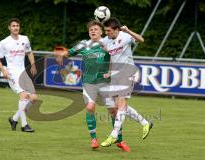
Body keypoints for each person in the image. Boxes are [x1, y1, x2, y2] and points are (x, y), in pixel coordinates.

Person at [54, 20, 130, 152]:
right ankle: (93, 138)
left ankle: (120, 140)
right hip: (89, 83)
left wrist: (111, 71)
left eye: (96, 29)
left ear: (101, 31)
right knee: (90, 107)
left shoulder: (107, 43)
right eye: (91, 30)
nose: (93, 31)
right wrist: (60, 54)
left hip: (106, 83)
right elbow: (69, 52)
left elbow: (116, 57)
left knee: (113, 111)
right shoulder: (83, 44)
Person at [100, 17, 153, 147]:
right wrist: (110, 72)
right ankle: (145, 122)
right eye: (105, 30)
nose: (106, 33)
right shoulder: (106, 40)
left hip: (128, 72)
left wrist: (129, 31)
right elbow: (112, 57)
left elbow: (141, 40)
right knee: (116, 105)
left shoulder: (125, 36)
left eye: (108, 31)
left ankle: (114, 135)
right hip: (116, 74)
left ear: (116, 30)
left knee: (122, 103)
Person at [0, 18, 38, 132]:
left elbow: (29, 52)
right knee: (23, 95)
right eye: (13, 26)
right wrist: (3, 71)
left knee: (33, 98)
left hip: (23, 73)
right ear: (9, 28)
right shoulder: (4, 42)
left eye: (17, 26)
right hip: (12, 73)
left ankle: (14, 119)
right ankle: (24, 125)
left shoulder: (25, 39)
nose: (15, 28)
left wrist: (33, 65)